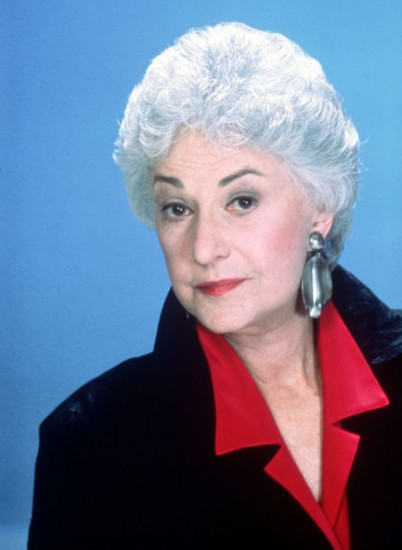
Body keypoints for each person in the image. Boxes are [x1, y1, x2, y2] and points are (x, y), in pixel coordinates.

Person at [28, 23, 402, 549]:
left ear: (321, 208)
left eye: (241, 201)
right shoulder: (92, 444)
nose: (203, 248)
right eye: (177, 208)